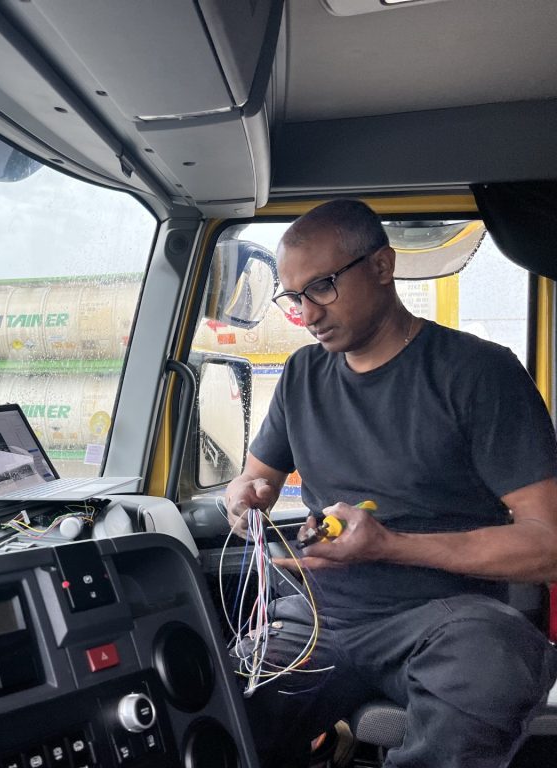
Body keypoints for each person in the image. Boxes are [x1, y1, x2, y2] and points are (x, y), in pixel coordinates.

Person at [224, 199, 557, 768]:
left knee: (495, 658)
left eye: (323, 286)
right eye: (294, 297)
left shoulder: (479, 372)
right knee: (218, 701)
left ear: (382, 266)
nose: (308, 313)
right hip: (317, 621)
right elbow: (256, 478)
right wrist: (244, 497)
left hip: (443, 622)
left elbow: (548, 544)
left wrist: (389, 545)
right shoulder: (302, 376)